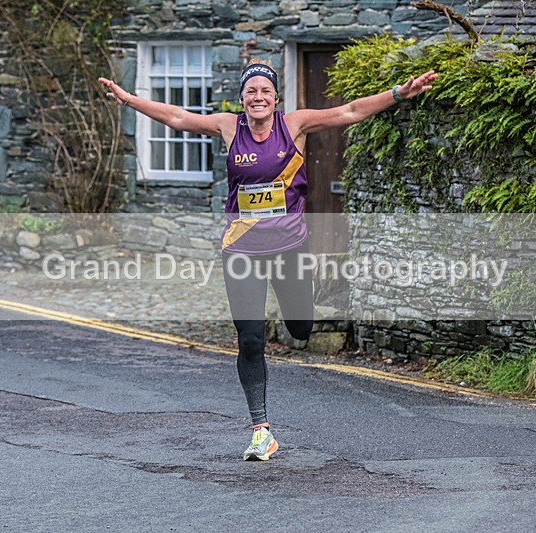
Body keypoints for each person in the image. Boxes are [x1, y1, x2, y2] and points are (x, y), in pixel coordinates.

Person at [99, 60, 437, 461]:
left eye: (265, 91)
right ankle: (261, 430)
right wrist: (127, 98)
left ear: (276, 98)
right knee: (251, 340)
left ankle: (297, 296)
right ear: (242, 98)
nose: (258, 98)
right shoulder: (229, 127)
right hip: (242, 250)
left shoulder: (293, 124)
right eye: (250, 92)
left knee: (300, 328)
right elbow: (177, 117)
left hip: (288, 248)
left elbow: (350, 111)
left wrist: (399, 93)